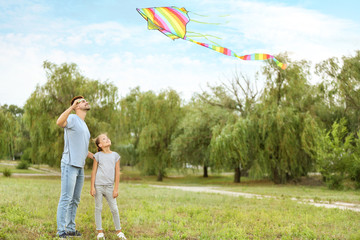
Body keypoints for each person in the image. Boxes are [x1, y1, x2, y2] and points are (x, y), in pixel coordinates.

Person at [56, 96, 95, 238]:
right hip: (69, 164)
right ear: (77, 106)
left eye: (85, 100)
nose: (86, 102)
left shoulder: (84, 125)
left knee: (75, 200)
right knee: (66, 198)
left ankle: (71, 228)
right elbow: (59, 122)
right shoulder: (72, 118)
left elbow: (83, 150)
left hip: (80, 167)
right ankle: (61, 231)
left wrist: (96, 157)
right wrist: (72, 107)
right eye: (82, 101)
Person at [90, 133, 127, 240]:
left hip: (110, 187)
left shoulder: (115, 155)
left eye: (107, 138)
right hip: (98, 186)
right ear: (100, 145)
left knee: (114, 209)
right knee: (98, 208)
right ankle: (100, 232)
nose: (107, 139)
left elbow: (117, 173)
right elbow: (93, 172)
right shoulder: (97, 156)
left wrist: (116, 189)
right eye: (104, 139)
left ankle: (119, 231)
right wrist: (92, 187)